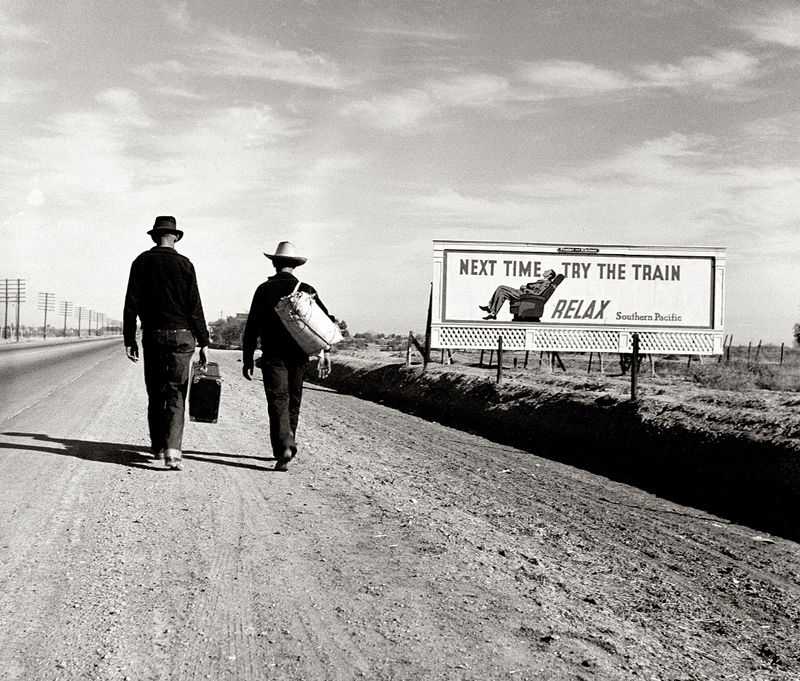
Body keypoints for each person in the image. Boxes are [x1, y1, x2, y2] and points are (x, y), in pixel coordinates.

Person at [123, 216, 209, 471]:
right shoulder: (185, 264)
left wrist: (130, 339)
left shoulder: (141, 262)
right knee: (175, 392)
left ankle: (158, 445)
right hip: (182, 336)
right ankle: (173, 451)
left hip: (154, 336)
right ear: (176, 237)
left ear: (153, 237)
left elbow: (131, 304)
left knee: (155, 391)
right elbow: (195, 305)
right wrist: (204, 340)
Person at [242, 241, 334, 472]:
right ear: (295, 265)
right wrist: (324, 353)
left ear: (274, 263)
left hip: (273, 356)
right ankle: (288, 442)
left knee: (277, 401)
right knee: (293, 401)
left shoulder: (264, 290)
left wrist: (247, 358)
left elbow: (252, 327)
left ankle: (284, 446)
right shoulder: (307, 289)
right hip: (299, 356)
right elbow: (323, 324)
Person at [480, 269, 560, 320]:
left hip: (522, 295)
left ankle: (490, 307)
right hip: (522, 293)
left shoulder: (546, 283)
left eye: (547, 271)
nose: (545, 271)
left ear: (549, 275)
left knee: (501, 287)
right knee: (501, 293)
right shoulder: (542, 281)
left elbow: (537, 293)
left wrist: (525, 289)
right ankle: (493, 313)